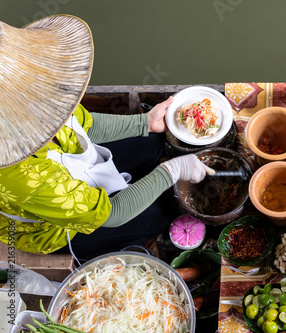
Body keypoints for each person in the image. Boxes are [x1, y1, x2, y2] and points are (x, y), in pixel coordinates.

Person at [0, 15, 212, 260]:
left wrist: (145, 123)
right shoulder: (24, 180)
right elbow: (113, 214)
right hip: (56, 227)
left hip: (72, 169)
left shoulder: (38, 97)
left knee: (152, 141)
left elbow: (85, 125)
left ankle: (140, 183)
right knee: (159, 214)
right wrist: (171, 171)